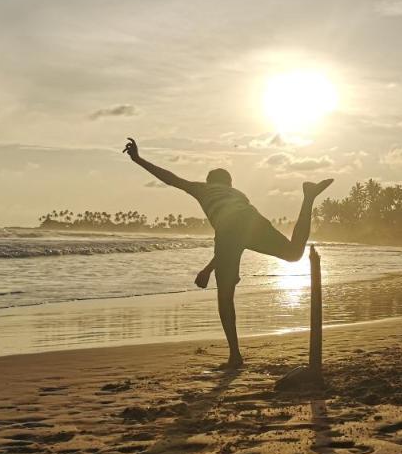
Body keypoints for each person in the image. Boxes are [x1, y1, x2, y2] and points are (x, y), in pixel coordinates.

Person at [123, 138, 332, 368]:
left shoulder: (203, 188)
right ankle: (309, 197)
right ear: (230, 184)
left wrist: (138, 160)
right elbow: (233, 243)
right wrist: (208, 269)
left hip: (229, 228)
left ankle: (235, 356)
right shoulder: (238, 195)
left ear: (210, 181)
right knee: (293, 253)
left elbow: (171, 179)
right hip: (252, 221)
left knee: (225, 296)